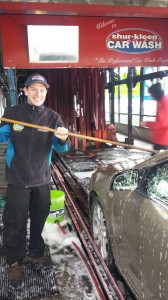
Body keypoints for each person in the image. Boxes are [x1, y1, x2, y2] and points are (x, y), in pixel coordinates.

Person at [0, 73, 69, 289]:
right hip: (18, 178)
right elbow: (1, 136)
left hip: (41, 179)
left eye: (42, 90)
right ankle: (14, 262)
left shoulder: (53, 117)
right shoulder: (12, 113)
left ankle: (36, 252)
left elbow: (62, 149)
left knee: (39, 219)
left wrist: (63, 138)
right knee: (15, 223)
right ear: (26, 91)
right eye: (34, 89)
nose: (38, 93)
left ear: (46, 93)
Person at [140, 82, 168, 151]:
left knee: (157, 160)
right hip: (161, 139)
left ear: (155, 94)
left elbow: (162, 124)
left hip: (163, 140)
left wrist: (147, 123)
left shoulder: (164, 103)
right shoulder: (162, 101)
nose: (151, 96)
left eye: (151, 94)